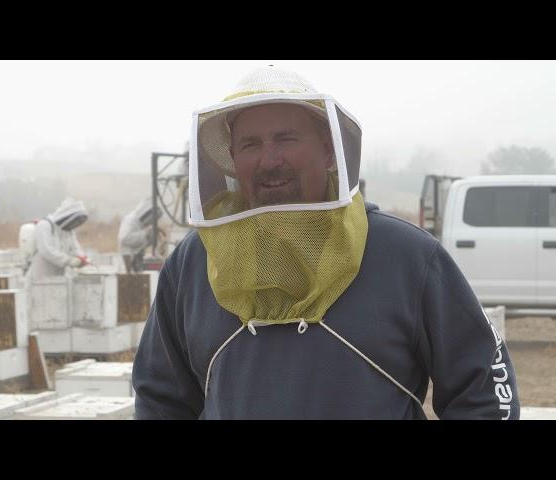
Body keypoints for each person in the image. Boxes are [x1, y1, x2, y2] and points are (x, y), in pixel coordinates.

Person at [132, 66, 520, 419]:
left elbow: (485, 387)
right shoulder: (194, 261)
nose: (269, 160)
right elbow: (160, 396)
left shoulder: (405, 254)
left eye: (286, 138)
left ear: (330, 150)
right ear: (232, 159)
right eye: (251, 144)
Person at [26, 197, 89, 281]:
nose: (75, 224)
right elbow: (46, 250)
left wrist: (81, 258)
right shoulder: (45, 225)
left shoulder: (68, 230)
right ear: (67, 215)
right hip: (40, 277)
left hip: (58, 277)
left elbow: (75, 247)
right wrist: (69, 260)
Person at [118, 198, 162, 273]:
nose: (150, 222)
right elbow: (124, 238)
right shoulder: (131, 220)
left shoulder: (138, 223)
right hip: (128, 264)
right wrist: (146, 233)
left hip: (134, 262)